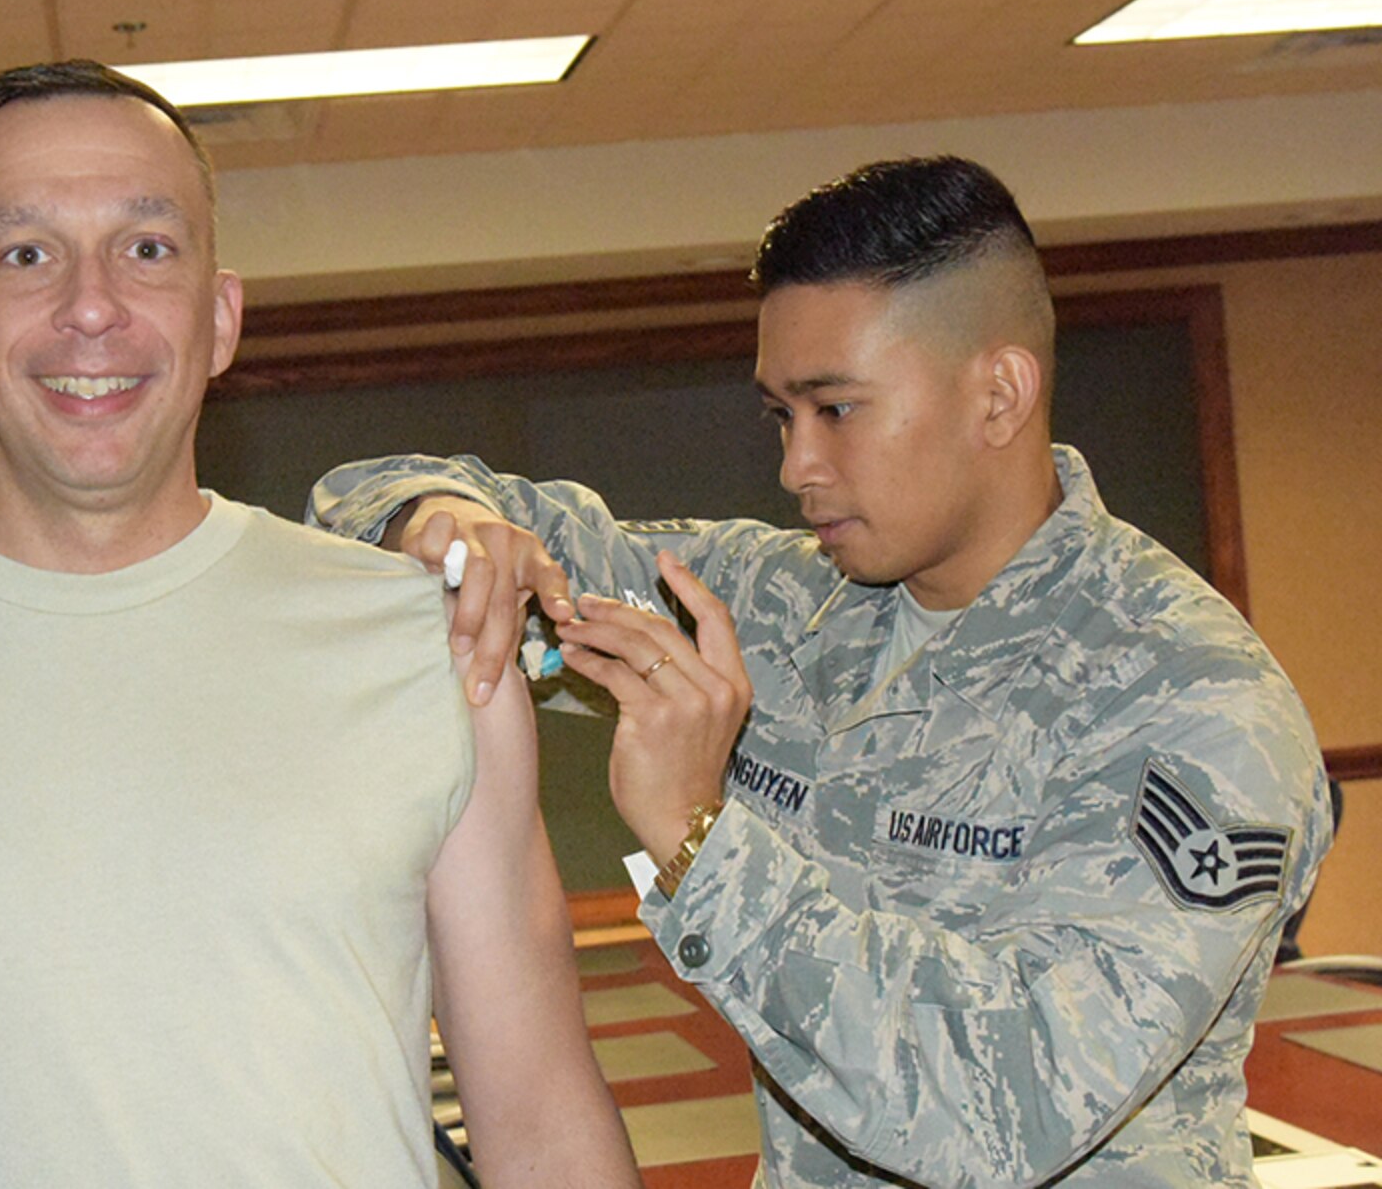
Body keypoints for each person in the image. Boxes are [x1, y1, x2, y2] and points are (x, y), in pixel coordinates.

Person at [0, 60, 638, 1188]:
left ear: (219, 318)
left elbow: (537, 1110)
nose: (89, 305)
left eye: (147, 248)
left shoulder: (425, 647)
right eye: (25, 253)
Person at [309, 156, 1335, 1187]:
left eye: (834, 409)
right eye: (779, 417)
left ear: (998, 392)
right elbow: (372, 503)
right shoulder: (777, 609)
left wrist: (696, 836)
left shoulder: (1186, 693)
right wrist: (444, 527)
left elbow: (1003, 1116)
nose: (796, 464)